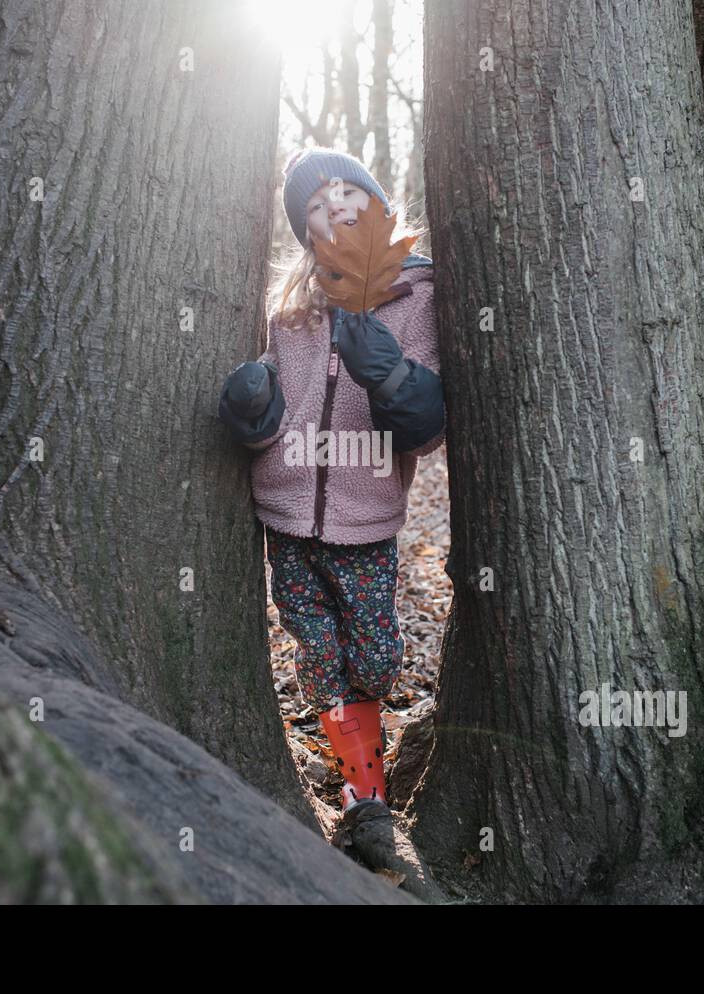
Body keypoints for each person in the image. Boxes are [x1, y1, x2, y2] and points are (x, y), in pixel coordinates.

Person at [218, 146, 446, 819]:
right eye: (315, 205)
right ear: (305, 231)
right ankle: (362, 789)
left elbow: (428, 431)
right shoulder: (293, 308)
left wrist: (392, 377)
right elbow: (273, 414)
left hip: (366, 521)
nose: (333, 205)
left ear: (378, 204)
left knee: (374, 659)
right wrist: (254, 409)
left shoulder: (417, 298)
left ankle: (368, 744)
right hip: (286, 519)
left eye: (347, 190)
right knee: (316, 656)